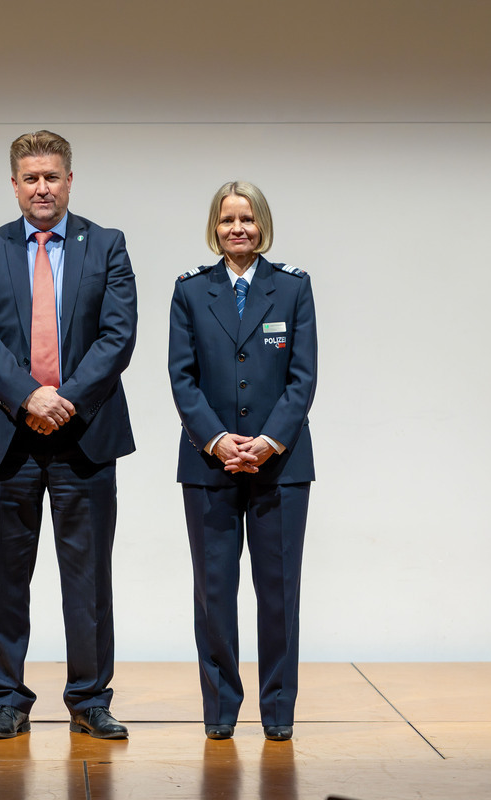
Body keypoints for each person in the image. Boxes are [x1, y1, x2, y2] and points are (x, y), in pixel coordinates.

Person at [0, 130, 137, 740]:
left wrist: (66, 401)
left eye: (52, 176)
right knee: (4, 579)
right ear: (14, 184)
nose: (42, 187)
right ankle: (8, 698)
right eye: (30, 177)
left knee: (88, 580)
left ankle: (89, 700)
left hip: (84, 435)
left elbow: (118, 336)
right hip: (8, 436)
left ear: (69, 179)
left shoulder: (106, 245)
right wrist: (29, 396)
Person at [167, 181, 317, 742]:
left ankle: (278, 711)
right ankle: (221, 709)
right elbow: (181, 378)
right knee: (214, 593)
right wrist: (217, 440)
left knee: (279, 594)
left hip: (281, 466)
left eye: (248, 220)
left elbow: (303, 380)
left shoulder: (293, 288)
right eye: (228, 219)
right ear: (215, 226)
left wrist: (268, 442)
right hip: (209, 466)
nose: (238, 229)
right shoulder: (189, 291)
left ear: (263, 225)